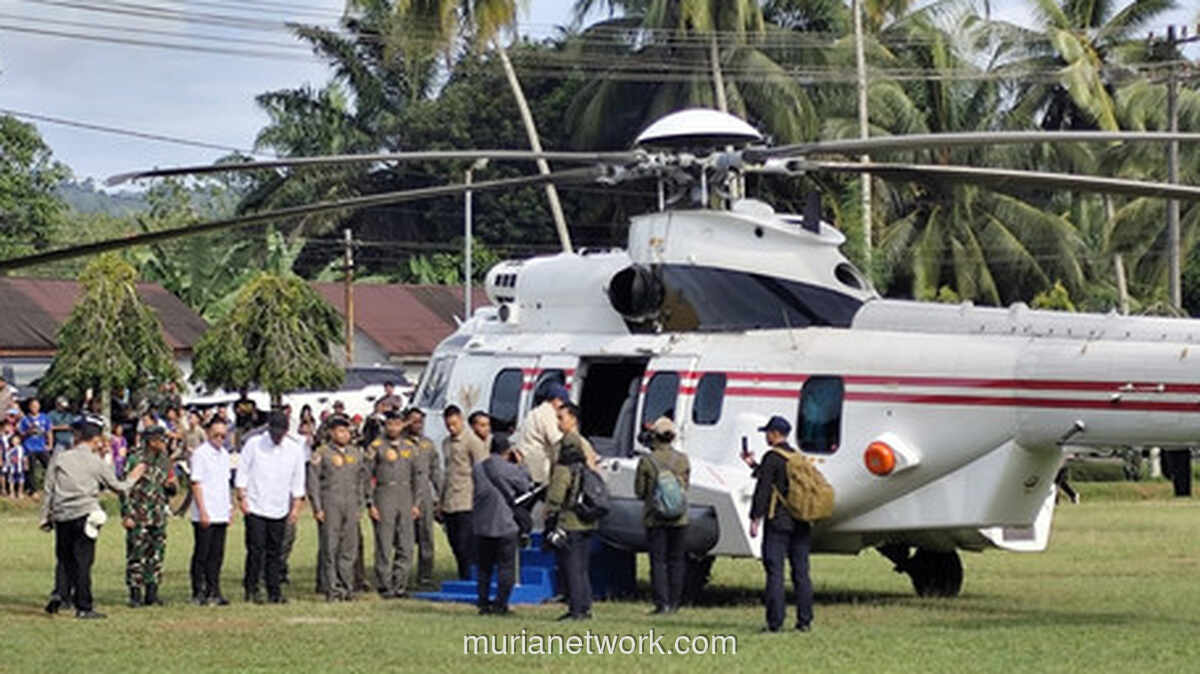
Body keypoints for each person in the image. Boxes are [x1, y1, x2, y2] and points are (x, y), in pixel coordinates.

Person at [40, 415, 148, 618]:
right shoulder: (96, 462)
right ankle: (84, 606)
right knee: (83, 561)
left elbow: (49, 488)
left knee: (64, 558)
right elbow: (118, 487)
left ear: (77, 436)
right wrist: (134, 477)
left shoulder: (61, 457)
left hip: (62, 514)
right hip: (85, 513)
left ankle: (60, 594)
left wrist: (45, 516)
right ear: (95, 439)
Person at [749, 415, 813, 633]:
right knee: (801, 572)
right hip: (802, 521)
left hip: (778, 521)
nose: (766, 436)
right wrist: (753, 465)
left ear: (775, 434)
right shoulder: (798, 457)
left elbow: (765, 489)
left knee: (775, 571)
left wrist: (755, 518)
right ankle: (804, 620)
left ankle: (775, 621)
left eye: (768, 432)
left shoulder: (772, 457)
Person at [235, 411, 306, 604]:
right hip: (256, 506)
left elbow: (298, 480)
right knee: (256, 550)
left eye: (281, 432)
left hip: (280, 507)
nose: (277, 436)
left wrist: (295, 508)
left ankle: (274, 591)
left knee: (276, 551)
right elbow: (242, 473)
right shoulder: (254, 444)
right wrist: (242, 498)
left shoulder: (294, 449)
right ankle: (251, 588)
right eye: (274, 431)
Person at [545, 402, 597, 621]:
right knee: (582, 566)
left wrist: (550, 509)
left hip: (571, 516)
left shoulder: (570, 450)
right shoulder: (586, 446)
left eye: (561, 418)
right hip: (587, 515)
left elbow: (559, 488)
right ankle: (584, 605)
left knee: (572, 565)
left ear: (573, 419)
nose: (558, 423)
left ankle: (577, 609)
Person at [308, 415, 369, 601]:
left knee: (349, 548)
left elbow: (361, 481)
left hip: (350, 504)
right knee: (330, 547)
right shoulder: (322, 453)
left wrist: (360, 504)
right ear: (332, 432)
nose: (344, 435)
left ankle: (346, 586)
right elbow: (313, 482)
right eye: (340, 431)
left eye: (347, 431)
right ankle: (331, 588)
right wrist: (317, 507)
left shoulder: (356, 453)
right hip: (330, 503)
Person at [634, 416, 691, 615]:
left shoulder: (647, 461)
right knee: (676, 560)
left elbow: (640, 491)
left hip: (654, 517)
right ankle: (675, 603)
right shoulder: (683, 459)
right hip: (680, 518)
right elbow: (686, 485)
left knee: (658, 561)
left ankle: (662, 603)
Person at [472, 433, 531, 616]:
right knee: (506, 567)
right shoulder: (509, 469)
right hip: (505, 523)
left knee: (484, 568)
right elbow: (525, 485)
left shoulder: (478, 468)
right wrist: (521, 465)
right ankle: (500, 604)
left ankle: (482, 603)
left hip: (482, 523)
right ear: (507, 450)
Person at [367, 412, 425, 598]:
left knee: (406, 543)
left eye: (397, 424)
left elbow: (418, 475)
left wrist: (417, 502)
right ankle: (384, 585)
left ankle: (400, 584)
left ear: (403, 425)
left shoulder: (410, 447)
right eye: (390, 424)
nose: (394, 428)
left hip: (406, 495)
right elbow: (366, 476)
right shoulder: (376, 447)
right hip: (384, 494)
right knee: (384, 542)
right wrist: (370, 503)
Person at [122, 425, 175, 608]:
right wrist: (126, 513)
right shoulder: (136, 458)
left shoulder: (164, 459)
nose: (163, 443)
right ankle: (135, 594)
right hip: (139, 513)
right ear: (151, 441)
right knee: (136, 553)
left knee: (156, 554)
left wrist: (171, 487)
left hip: (158, 513)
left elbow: (169, 483)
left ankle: (152, 593)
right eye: (160, 439)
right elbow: (125, 488)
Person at [441, 405, 489, 580]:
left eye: (454, 424)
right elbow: (446, 472)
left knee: (465, 543)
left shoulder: (472, 442)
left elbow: (483, 470)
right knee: (453, 542)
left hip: (467, 499)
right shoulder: (446, 443)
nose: (452, 428)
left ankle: (471, 576)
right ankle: (463, 573)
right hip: (450, 499)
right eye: (448, 425)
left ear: (461, 420)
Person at [189, 418, 233, 606]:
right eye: (216, 435)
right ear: (208, 434)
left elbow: (225, 484)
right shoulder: (200, 454)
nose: (220, 439)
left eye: (223, 435)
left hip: (221, 510)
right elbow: (196, 483)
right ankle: (198, 591)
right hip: (205, 512)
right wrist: (203, 511)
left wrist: (230, 508)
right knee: (202, 553)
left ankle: (214, 589)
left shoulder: (224, 455)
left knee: (217, 554)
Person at [403, 408, 441, 587]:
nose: (417, 425)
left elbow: (435, 471)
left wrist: (441, 494)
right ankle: (402, 576)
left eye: (420, 421)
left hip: (424, 494)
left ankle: (425, 575)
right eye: (413, 421)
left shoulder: (428, 444)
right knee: (405, 538)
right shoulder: (400, 443)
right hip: (404, 494)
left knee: (427, 536)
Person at [514, 383, 569, 483]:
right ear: (556, 400)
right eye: (562, 402)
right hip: (536, 462)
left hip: (525, 459)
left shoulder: (535, 412)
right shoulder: (548, 413)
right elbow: (556, 439)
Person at [18, 398, 51, 494]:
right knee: (31, 469)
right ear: (29, 407)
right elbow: (21, 434)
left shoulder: (44, 417)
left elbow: (49, 431)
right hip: (29, 448)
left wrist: (50, 444)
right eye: (33, 406)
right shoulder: (25, 419)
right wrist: (29, 432)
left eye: (36, 406)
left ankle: (49, 487)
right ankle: (33, 490)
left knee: (49, 466)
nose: (35, 408)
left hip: (41, 447)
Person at [3, 417, 24, 498]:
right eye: (13, 440)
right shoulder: (9, 450)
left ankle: (20, 492)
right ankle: (12, 493)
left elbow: (24, 457)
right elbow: (8, 459)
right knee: (11, 481)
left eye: (17, 440)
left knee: (21, 481)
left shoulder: (21, 448)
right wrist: (6, 466)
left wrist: (25, 464)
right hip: (12, 468)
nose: (15, 441)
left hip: (20, 468)